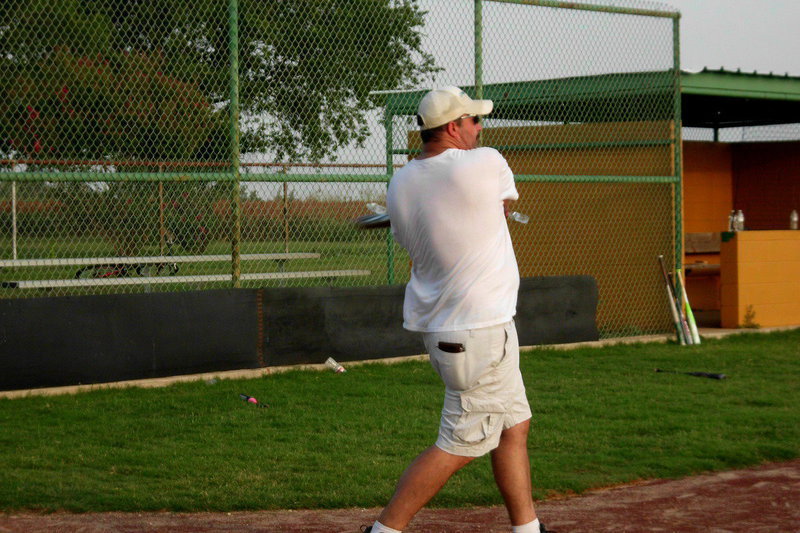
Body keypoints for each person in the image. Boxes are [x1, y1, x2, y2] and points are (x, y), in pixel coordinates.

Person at [364, 87, 551, 533]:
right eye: (473, 121)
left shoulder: (401, 181)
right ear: (452, 127)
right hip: (479, 331)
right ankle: (384, 530)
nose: (479, 128)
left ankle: (528, 529)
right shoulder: (485, 162)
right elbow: (504, 204)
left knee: (514, 425)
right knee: (458, 444)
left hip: (455, 328)